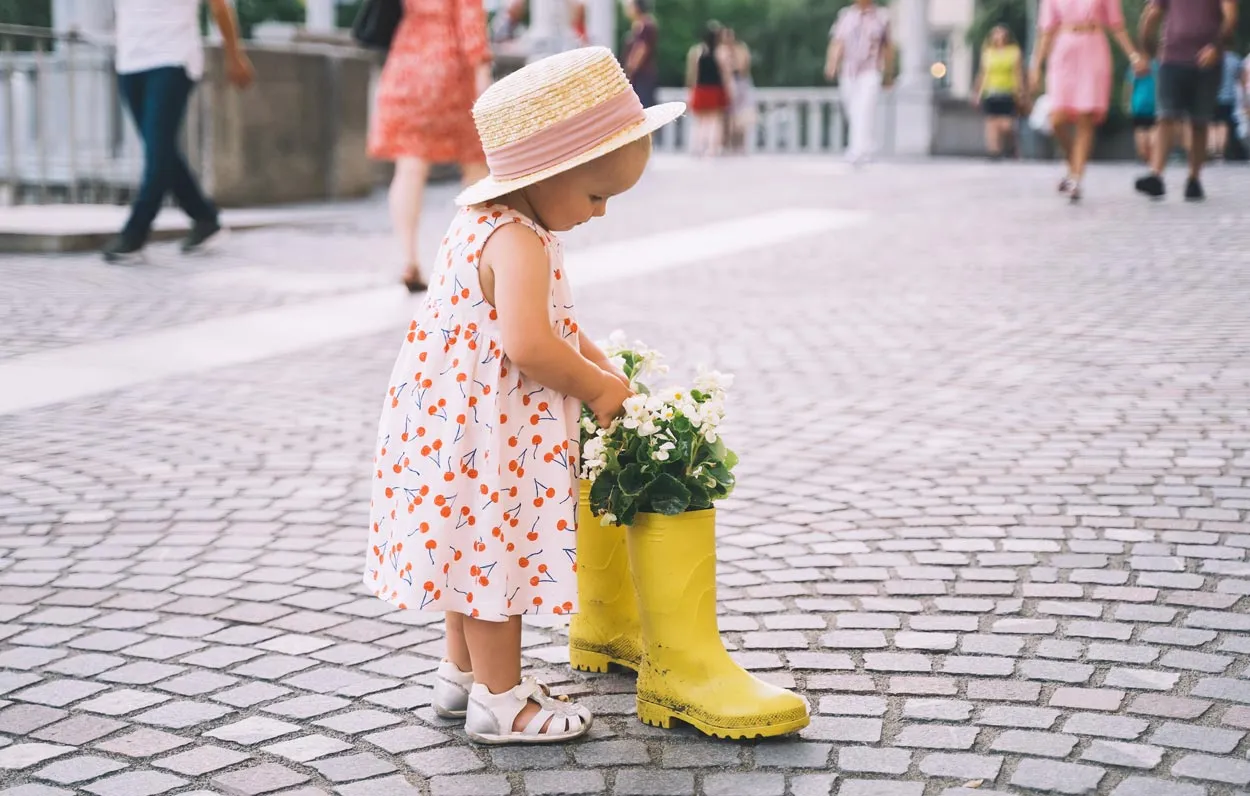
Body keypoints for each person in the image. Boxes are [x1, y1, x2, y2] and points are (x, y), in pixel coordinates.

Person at [364, 47, 686, 744]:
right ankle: (501, 701)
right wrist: (598, 387)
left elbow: (560, 327)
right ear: (552, 174)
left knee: (463, 555)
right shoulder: (520, 242)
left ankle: (460, 676)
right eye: (597, 196)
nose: (600, 213)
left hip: (449, 427)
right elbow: (531, 346)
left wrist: (604, 365)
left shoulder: (489, 223)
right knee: (491, 564)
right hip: (485, 435)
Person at [102, 0, 254, 264]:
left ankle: (135, 233)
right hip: (129, 63)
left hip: (172, 60)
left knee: (158, 152)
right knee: (161, 151)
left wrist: (235, 55)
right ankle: (205, 219)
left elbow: (219, 6)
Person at [369, 0, 494, 293]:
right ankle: (470, 256)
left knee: (409, 165)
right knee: (475, 164)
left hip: (406, 61)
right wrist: (482, 72)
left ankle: (409, 257)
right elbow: (469, 18)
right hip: (450, 66)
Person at [1028, 0, 1145, 203]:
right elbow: (1046, 30)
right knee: (1056, 119)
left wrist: (1133, 56)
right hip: (1064, 50)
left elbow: (1116, 25)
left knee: (1086, 116)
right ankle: (1074, 164)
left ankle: (1076, 179)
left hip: (1093, 48)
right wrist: (1036, 65)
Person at [1135, 0, 1239, 201]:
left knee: (1199, 121)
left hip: (1207, 60)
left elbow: (1231, 16)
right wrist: (1146, 49)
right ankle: (1156, 175)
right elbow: (1152, 12)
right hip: (1172, 58)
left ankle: (1194, 178)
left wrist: (1216, 49)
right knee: (1165, 116)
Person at [825, 0, 895, 165]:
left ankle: (856, 151)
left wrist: (889, 74)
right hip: (849, 71)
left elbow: (888, 47)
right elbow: (837, 41)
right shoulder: (846, 15)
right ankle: (867, 145)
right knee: (852, 109)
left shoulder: (882, 17)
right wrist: (832, 63)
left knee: (864, 108)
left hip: (871, 70)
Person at [973, 25, 1024, 160]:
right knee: (991, 122)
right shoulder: (988, 52)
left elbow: (1017, 73)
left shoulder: (1013, 52)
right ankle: (994, 151)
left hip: (1007, 91)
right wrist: (978, 93)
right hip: (990, 91)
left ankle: (1011, 146)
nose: (999, 37)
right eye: (996, 34)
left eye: (1001, 34)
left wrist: (1020, 91)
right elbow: (983, 74)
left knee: (1007, 124)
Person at [686, 22, 734, 157]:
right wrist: (729, 90)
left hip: (701, 88)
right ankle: (712, 148)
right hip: (715, 89)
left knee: (700, 120)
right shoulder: (721, 52)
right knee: (715, 120)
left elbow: (693, 74)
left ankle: (698, 146)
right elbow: (725, 74)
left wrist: (691, 90)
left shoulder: (697, 51)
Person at [1125, 43, 1161, 164]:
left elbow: (1129, 88)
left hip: (1138, 105)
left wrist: (1127, 103)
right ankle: (1151, 155)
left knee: (1140, 131)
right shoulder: (1156, 67)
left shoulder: (1133, 69)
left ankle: (1144, 154)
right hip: (1155, 105)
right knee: (1153, 130)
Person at [724, 28, 757, 154]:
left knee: (742, 118)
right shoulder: (721, 51)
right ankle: (728, 145)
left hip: (740, 84)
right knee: (727, 119)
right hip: (727, 85)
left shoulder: (741, 49)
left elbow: (743, 68)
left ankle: (740, 146)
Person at [622, 0, 659, 108]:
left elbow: (641, 50)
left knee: (642, 106)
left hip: (642, 76)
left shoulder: (645, 25)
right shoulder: (638, 25)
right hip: (640, 76)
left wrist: (629, 70)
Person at [1211, 49, 1244, 160]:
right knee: (1224, 124)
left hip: (1212, 96)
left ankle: (1213, 150)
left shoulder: (1211, 57)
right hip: (1228, 97)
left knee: (1213, 124)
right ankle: (1221, 152)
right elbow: (1241, 77)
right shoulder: (1234, 59)